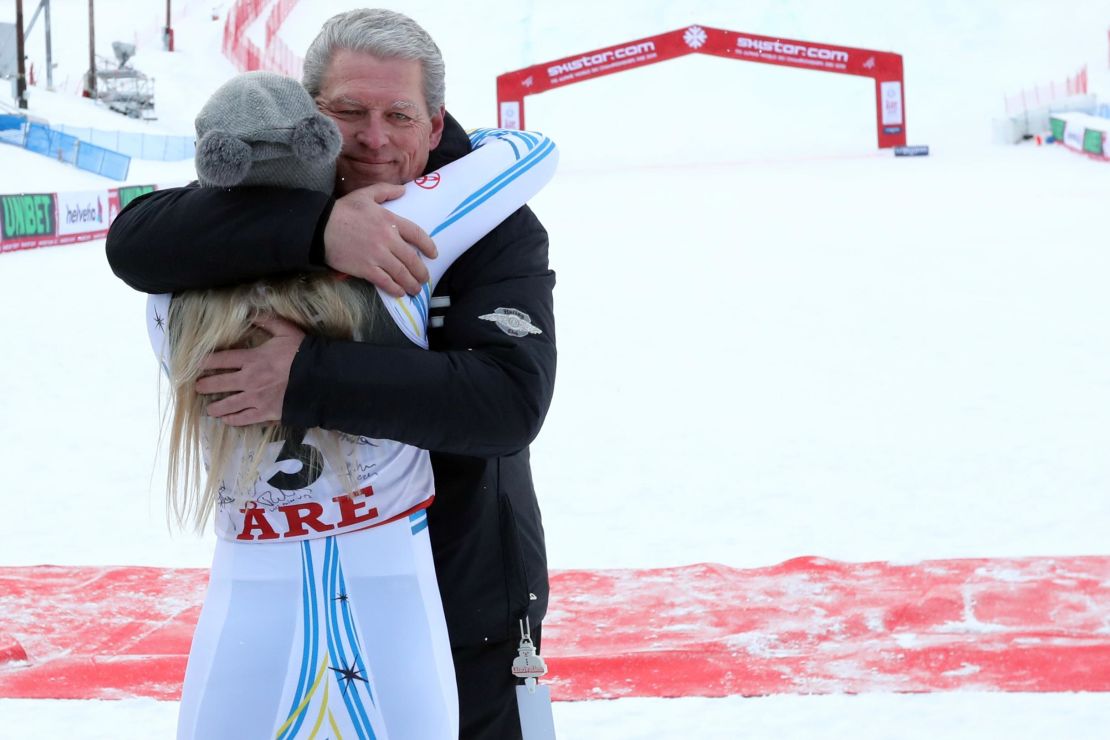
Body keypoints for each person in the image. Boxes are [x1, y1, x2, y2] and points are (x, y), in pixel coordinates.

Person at [107, 9, 556, 739]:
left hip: (459, 590)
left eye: (398, 115)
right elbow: (135, 241)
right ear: (312, 116)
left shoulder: (493, 226)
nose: (374, 138)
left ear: (435, 124)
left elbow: (508, 403)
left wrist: (305, 375)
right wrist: (320, 233)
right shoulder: (261, 205)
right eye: (348, 112)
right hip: (281, 584)